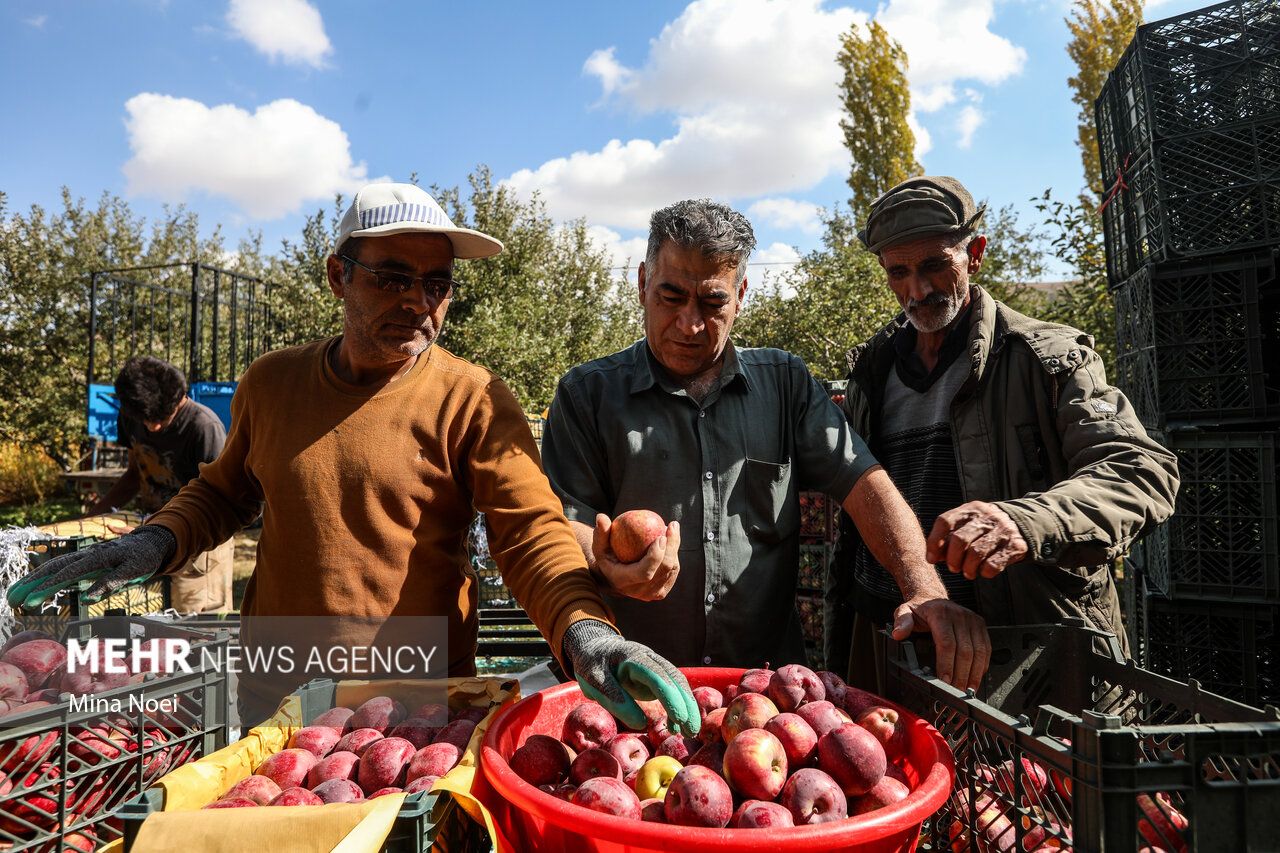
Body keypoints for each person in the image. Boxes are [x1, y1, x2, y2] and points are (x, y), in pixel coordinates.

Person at [9, 183, 699, 733]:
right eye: (392, 277)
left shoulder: (475, 398)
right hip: (277, 697)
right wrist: (152, 542)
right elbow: (225, 493)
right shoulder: (271, 383)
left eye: (437, 284)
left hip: (419, 706)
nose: (417, 301)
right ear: (338, 275)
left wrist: (586, 633)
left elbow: (529, 533)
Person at [541, 199, 990, 690]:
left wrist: (923, 591)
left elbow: (865, 485)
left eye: (712, 304)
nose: (690, 324)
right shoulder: (586, 395)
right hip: (633, 690)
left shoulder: (786, 385)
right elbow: (566, 522)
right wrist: (604, 562)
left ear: (741, 295)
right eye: (671, 296)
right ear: (643, 282)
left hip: (766, 696)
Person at [826, 176, 1179, 689]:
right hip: (892, 645)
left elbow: (1141, 473)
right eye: (898, 272)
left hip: (1019, 657)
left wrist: (1025, 521)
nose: (917, 290)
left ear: (976, 254)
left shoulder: (1046, 358)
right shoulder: (871, 373)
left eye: (934, 266)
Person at [84, 356, 235, 613]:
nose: (151, 427)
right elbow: (135, 474)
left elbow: (222, 503)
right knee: (149, 623)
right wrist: (90, 518)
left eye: (160, 419)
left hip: (199, 548)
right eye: (144, 419)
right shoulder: (132, 415)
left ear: (178, 400)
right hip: (148, 537)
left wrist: (152, 526)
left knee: (191, 629)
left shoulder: (204, 428)